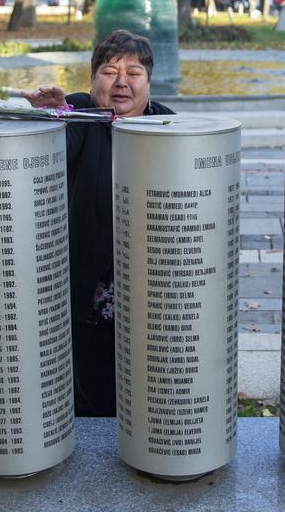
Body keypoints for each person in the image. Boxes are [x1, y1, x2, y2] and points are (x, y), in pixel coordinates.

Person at [23, 30, 175, 417]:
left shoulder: (169, 126)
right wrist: (50, 120)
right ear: (92, 81)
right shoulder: (79, 116)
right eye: (109, 71)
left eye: (134, 72)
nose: (122, 81)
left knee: (152, 385)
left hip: (154, 290)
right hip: (92, 288)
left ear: (149, 81)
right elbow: (53, 148)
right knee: (94, 392)